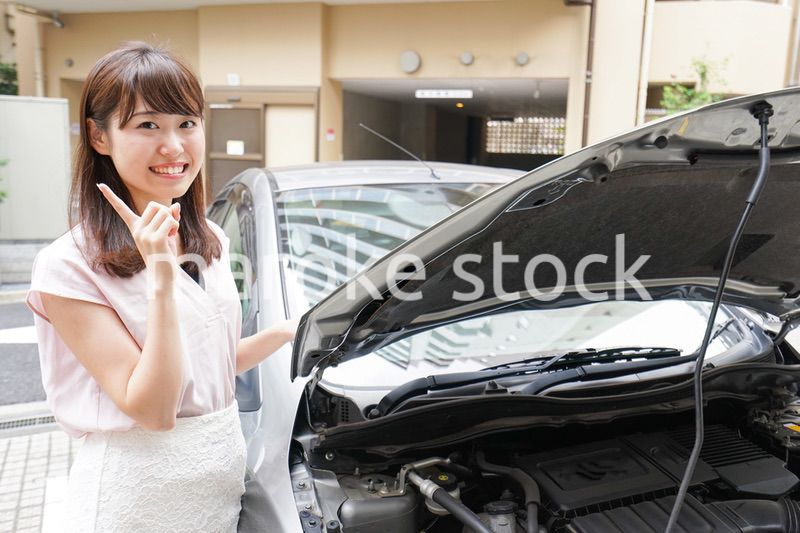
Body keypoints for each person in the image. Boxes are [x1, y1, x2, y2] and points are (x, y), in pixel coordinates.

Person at [25, 42, 297, 532]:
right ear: (99, 136)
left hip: (218, 483)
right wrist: (161, 279)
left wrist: (290, 333)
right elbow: (154, 409)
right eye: (148, 125)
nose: (173, 146)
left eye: (187, 123)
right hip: (136, 497)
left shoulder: (209, 237)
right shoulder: (67, 265)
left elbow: (210, 363)